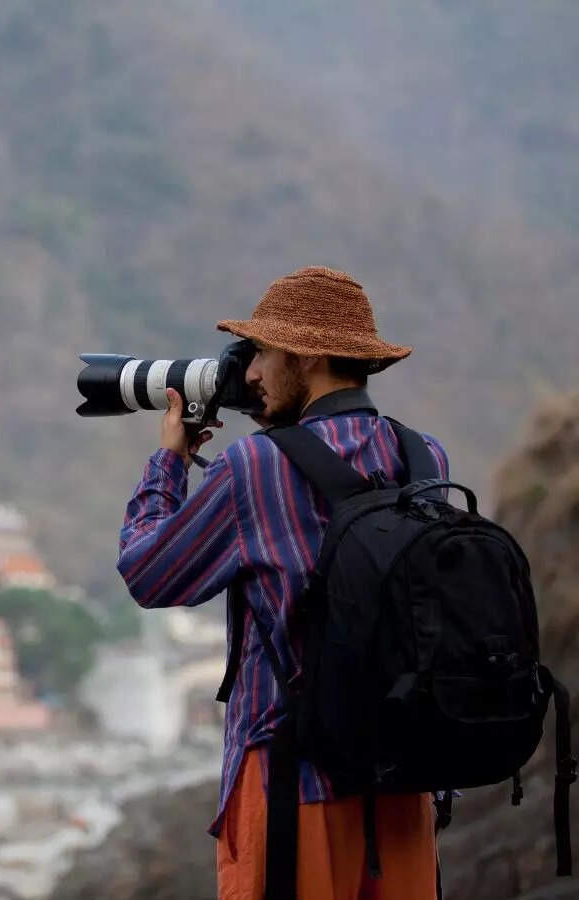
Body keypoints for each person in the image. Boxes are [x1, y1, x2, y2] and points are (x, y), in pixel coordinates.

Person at [116, 266, 447, 900]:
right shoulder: (426, 457)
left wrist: (171, 462)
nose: (253, 373)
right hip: (408, 784)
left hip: (295, 785)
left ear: (311, 356)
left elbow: (147, 572)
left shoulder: (255, 468)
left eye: (264, 352)